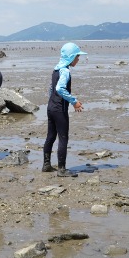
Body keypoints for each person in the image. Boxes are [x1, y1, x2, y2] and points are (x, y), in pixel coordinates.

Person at [43, 43, 86, 177]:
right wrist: (74, 101)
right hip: (59, 109)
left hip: (51, 107)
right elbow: (59, 88)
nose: (78, 60)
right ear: (71, 57)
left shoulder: (56, 69)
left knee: (50, 136)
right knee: (63, 138)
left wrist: (52, 101)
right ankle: (62, 169)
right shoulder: (65, 71)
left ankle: (46, 165)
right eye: (77, 57)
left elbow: (51, 88)